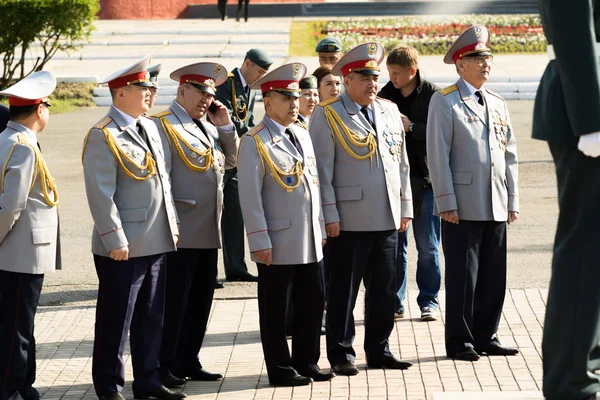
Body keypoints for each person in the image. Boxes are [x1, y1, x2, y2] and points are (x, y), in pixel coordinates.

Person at [82, 55, 184, 400]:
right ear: (122, 92)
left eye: (151, 88)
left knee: (151, 317)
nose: (150, 94)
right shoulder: (103, 134)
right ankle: (109, 385)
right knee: (117, 320)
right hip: (123, 245)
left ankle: (148, 380)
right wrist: (114, 238)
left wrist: (171, 224)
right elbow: (100, 194)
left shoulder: (150, 127)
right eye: (143, 88)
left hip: (155, 238)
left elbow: (163, 182)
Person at [309, 42, 413, 376]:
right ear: (347, 78)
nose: (372, 83)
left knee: (384, 289)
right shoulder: (327, 114)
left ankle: (379, 349)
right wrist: (330, 215)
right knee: (343, 291)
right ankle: (341, 353)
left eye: (375, 76)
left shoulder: (387, 110)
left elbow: (402, 165)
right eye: (364, 77)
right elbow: (321, 171)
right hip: (348, 221)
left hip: (386, 217)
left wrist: (405, 208)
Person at [426, 25, 519, 362]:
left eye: (488, 57)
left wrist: (513, 199)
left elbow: (510, 153)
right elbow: (438, 155)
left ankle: (486, 334)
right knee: (464, 276)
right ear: (460, 63)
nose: (485, 63)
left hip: (495, 200)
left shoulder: (496, 102)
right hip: (462, 205)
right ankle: (460, 340)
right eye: (478, 58)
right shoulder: (445, 100)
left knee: (495, 275)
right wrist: (446, 201)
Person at [237, 62, 334, 387]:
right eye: (286, 98)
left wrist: (319, 227)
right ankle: (279, 368)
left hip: (307, 237)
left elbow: (314, 185)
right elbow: (250, 197)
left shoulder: (302, 135)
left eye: (296, 97)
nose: (295, 103)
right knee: (276, 309)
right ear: (268, 101)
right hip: (276, 241)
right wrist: (259, 240)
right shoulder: (255, 141)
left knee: (311, 302)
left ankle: (307, 361)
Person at [152, 62, 238, 387]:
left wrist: (226, 126)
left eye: (211, 94)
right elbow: (161, 182)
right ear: (182, 90)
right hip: (180, 231)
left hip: (207, 229)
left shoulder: (208, 126)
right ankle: (164, 364)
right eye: (201, 92)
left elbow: (230, 162)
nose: (206, 99)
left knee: (200, 301)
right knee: (174, 303)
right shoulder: (164, 125)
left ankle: (188, 358)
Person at [533, 2, 600, 399]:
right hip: (585, 102)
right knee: (584, 255)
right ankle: (572, 384)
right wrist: (591, 121)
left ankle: (586, 368)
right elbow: (570, 16)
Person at [0, 71, 61, 400]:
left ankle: (23, 384)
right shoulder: (23, 146)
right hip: (20, 251)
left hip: (16, 252)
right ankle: (11, 388)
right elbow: (11, 207)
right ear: (39, 109)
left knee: (17, 323)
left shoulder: (7, 139)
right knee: (17, 327)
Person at [378, 45, 441, 322]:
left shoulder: (434, 95)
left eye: (397, 73)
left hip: (427, 184)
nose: (392, 78)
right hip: (396, 186)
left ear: (412, 71)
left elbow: (442, 136)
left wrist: (411, 127)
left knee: (428, 247)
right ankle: (395, 301)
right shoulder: (384, 96)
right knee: (396, 248)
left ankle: (429, 300)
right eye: (389, 72)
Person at [212, 49, 272, 284]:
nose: (260, 76)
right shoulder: (227, 81)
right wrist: (254, 133)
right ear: (247, 63)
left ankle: (236, 267)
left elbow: (246, 119)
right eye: (259, 71)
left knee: (235, 214)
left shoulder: (249, 88)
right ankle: (208, 272)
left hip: (237, 158)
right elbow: (223, 117)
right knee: (212, 217)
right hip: (220, 155)